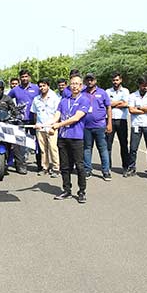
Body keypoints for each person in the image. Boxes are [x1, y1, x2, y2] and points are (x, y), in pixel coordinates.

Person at [47, 74, 90, 203]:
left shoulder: (84, 100)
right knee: (64, 166)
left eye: (77, 84)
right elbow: (57, 115)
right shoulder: (64, 100)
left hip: (76, 138)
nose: (74, 86)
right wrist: (49, 124)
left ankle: (81, 191)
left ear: (81, 86)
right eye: (72, 83)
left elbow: (76, 118)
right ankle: (66, 190)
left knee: (79, 166)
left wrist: (58, 125)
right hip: (63, 137)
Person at [8, 69, 41, 174]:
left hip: (34, 120)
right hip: (20, 120)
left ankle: (40, 165)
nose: (24, 78)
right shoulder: (15, 90)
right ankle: (21, 166)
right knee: (20, 145)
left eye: (26, 76)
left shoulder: (36, 88)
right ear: (20, 78)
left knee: (38, 143)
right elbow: (6, 99)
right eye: (22, 77)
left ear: (29, 77)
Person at [82, 73, 112, 180]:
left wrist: (109, 123)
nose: (90, 82)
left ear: (95, 80)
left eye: (92, 79)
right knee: (87, 148)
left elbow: (108, 107)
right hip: (86, 126)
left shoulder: (102, 93)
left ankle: (106, 171)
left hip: (100, 125)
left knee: (103, 149)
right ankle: (87, 170)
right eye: (87, 80)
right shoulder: (82, 93)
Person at [126, 76, 147, 178]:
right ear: (139, 85)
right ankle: (131, 167)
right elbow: (131, 110)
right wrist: (146, 110)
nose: (145, 88)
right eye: (143, 85)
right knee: (133, 148)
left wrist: (139, 108)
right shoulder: (132, 96)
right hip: (136, 124)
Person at [30, 78, 61, 177]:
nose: (42, 88)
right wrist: (36, 125)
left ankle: (56, 168)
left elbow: (58, 113)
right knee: (43, 149)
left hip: (51, 127)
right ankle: (45, 167)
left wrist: (54, 126)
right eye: (40, 86)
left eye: (44, 85)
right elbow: (35, 114)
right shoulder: (36, 99)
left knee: (53, 148)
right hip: (40, 128)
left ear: (48, 86)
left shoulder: (55, 98)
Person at [105, 73, 130, 173]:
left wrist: (113, 104)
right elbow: (107, 104)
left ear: (121, 80)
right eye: (114, 80)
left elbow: (126, 104)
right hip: (109, 120)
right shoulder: (107, 91)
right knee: (108, 145)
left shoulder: (125, 91)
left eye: (117, 80)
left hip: (121, 120)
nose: (115, 82)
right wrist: (119, 102)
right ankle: (108, 166)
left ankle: (125, 166)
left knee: (124, 144)